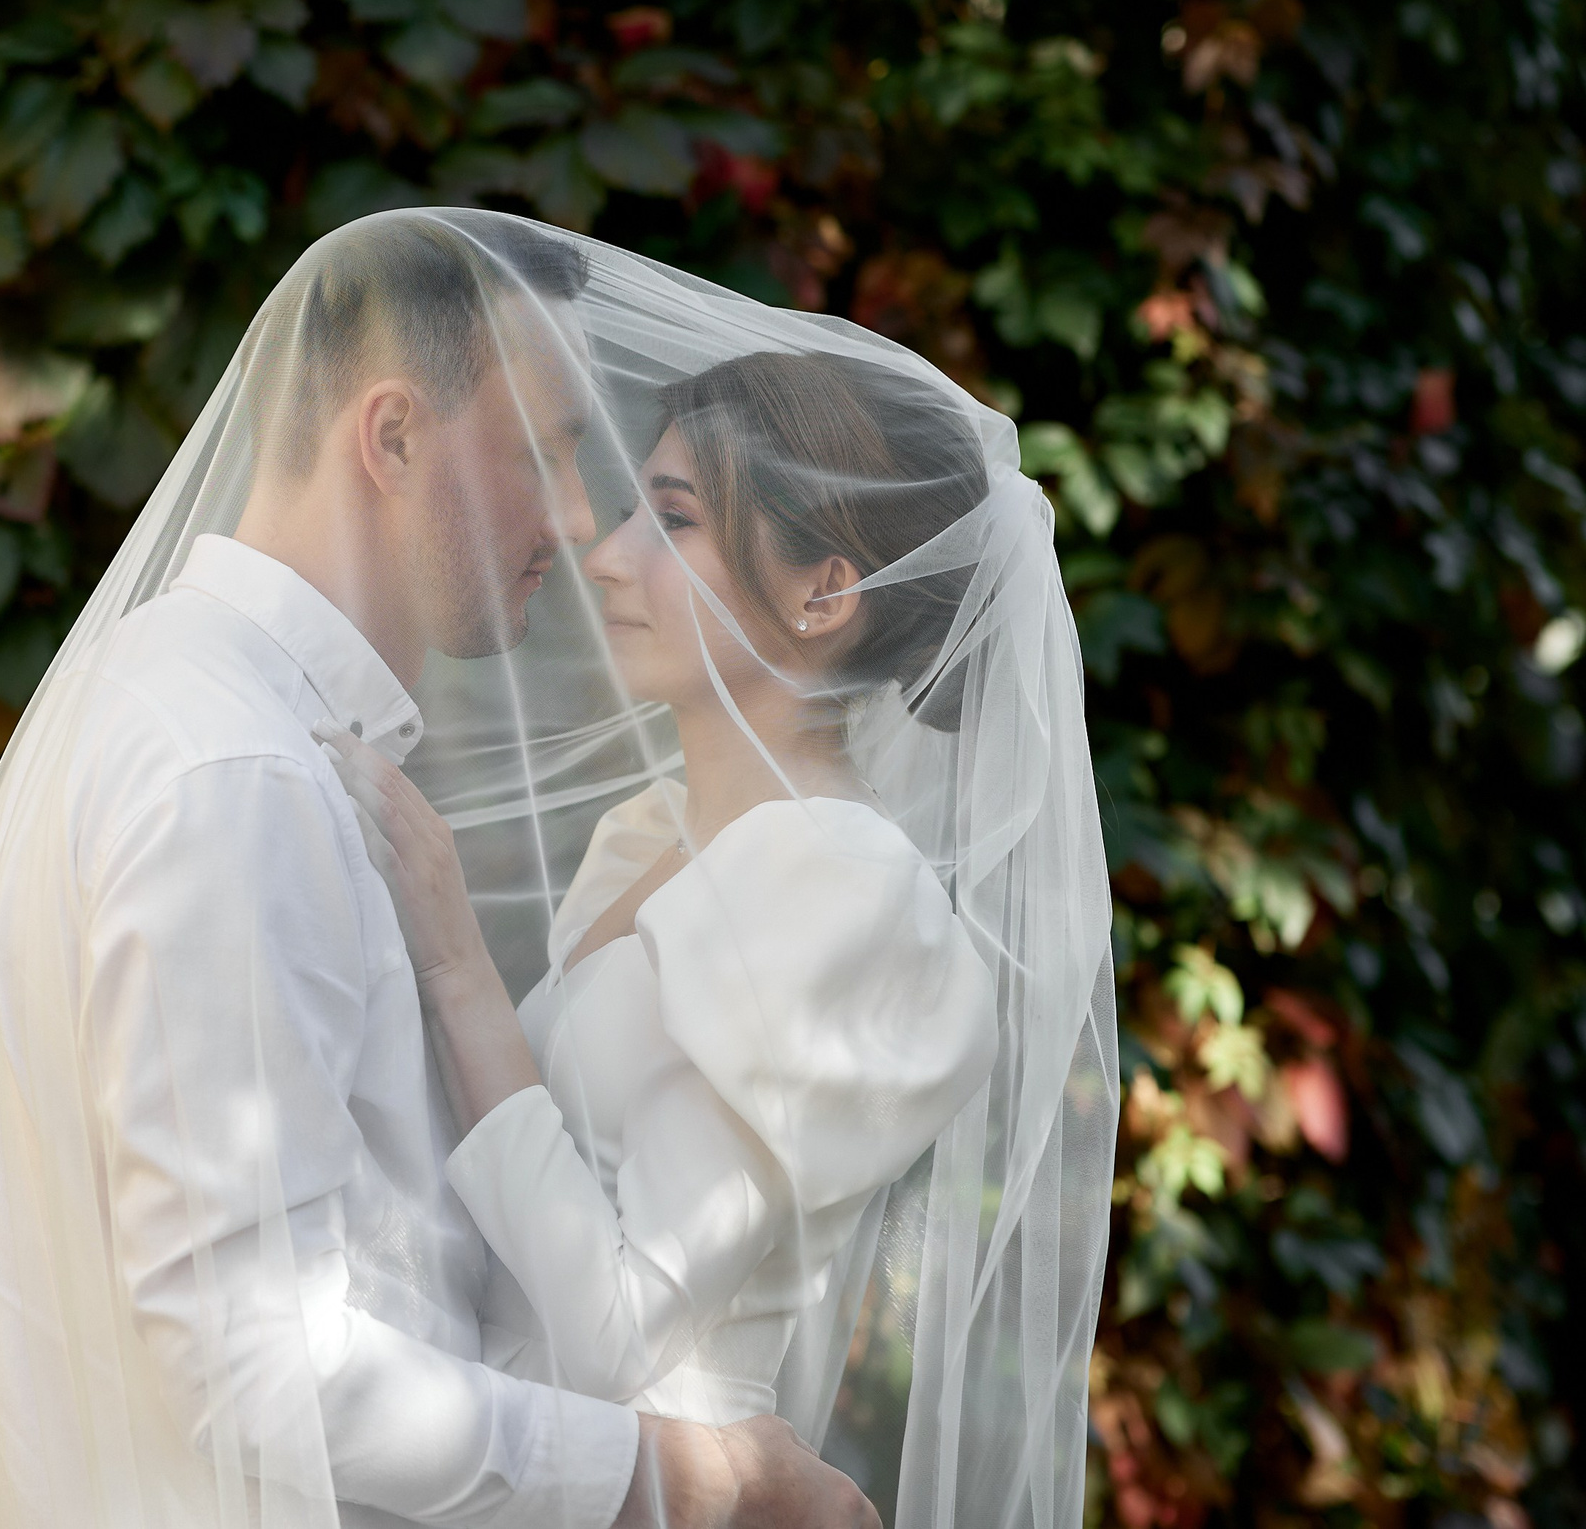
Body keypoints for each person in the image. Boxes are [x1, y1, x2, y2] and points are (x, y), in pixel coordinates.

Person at [0, 214, 882, 1529]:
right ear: (389, 437)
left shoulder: (171, 711)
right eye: (544, 448)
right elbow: (255, 1356)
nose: (578, 516)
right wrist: (680, 1476)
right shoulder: (233, 777)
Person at [321, 348, 1118, 1528]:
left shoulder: (836, 885)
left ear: (823, 593)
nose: (607, 554)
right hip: (513, 1467)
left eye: (675, 518)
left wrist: (456, 964)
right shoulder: (652, 833)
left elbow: (614, 1330)